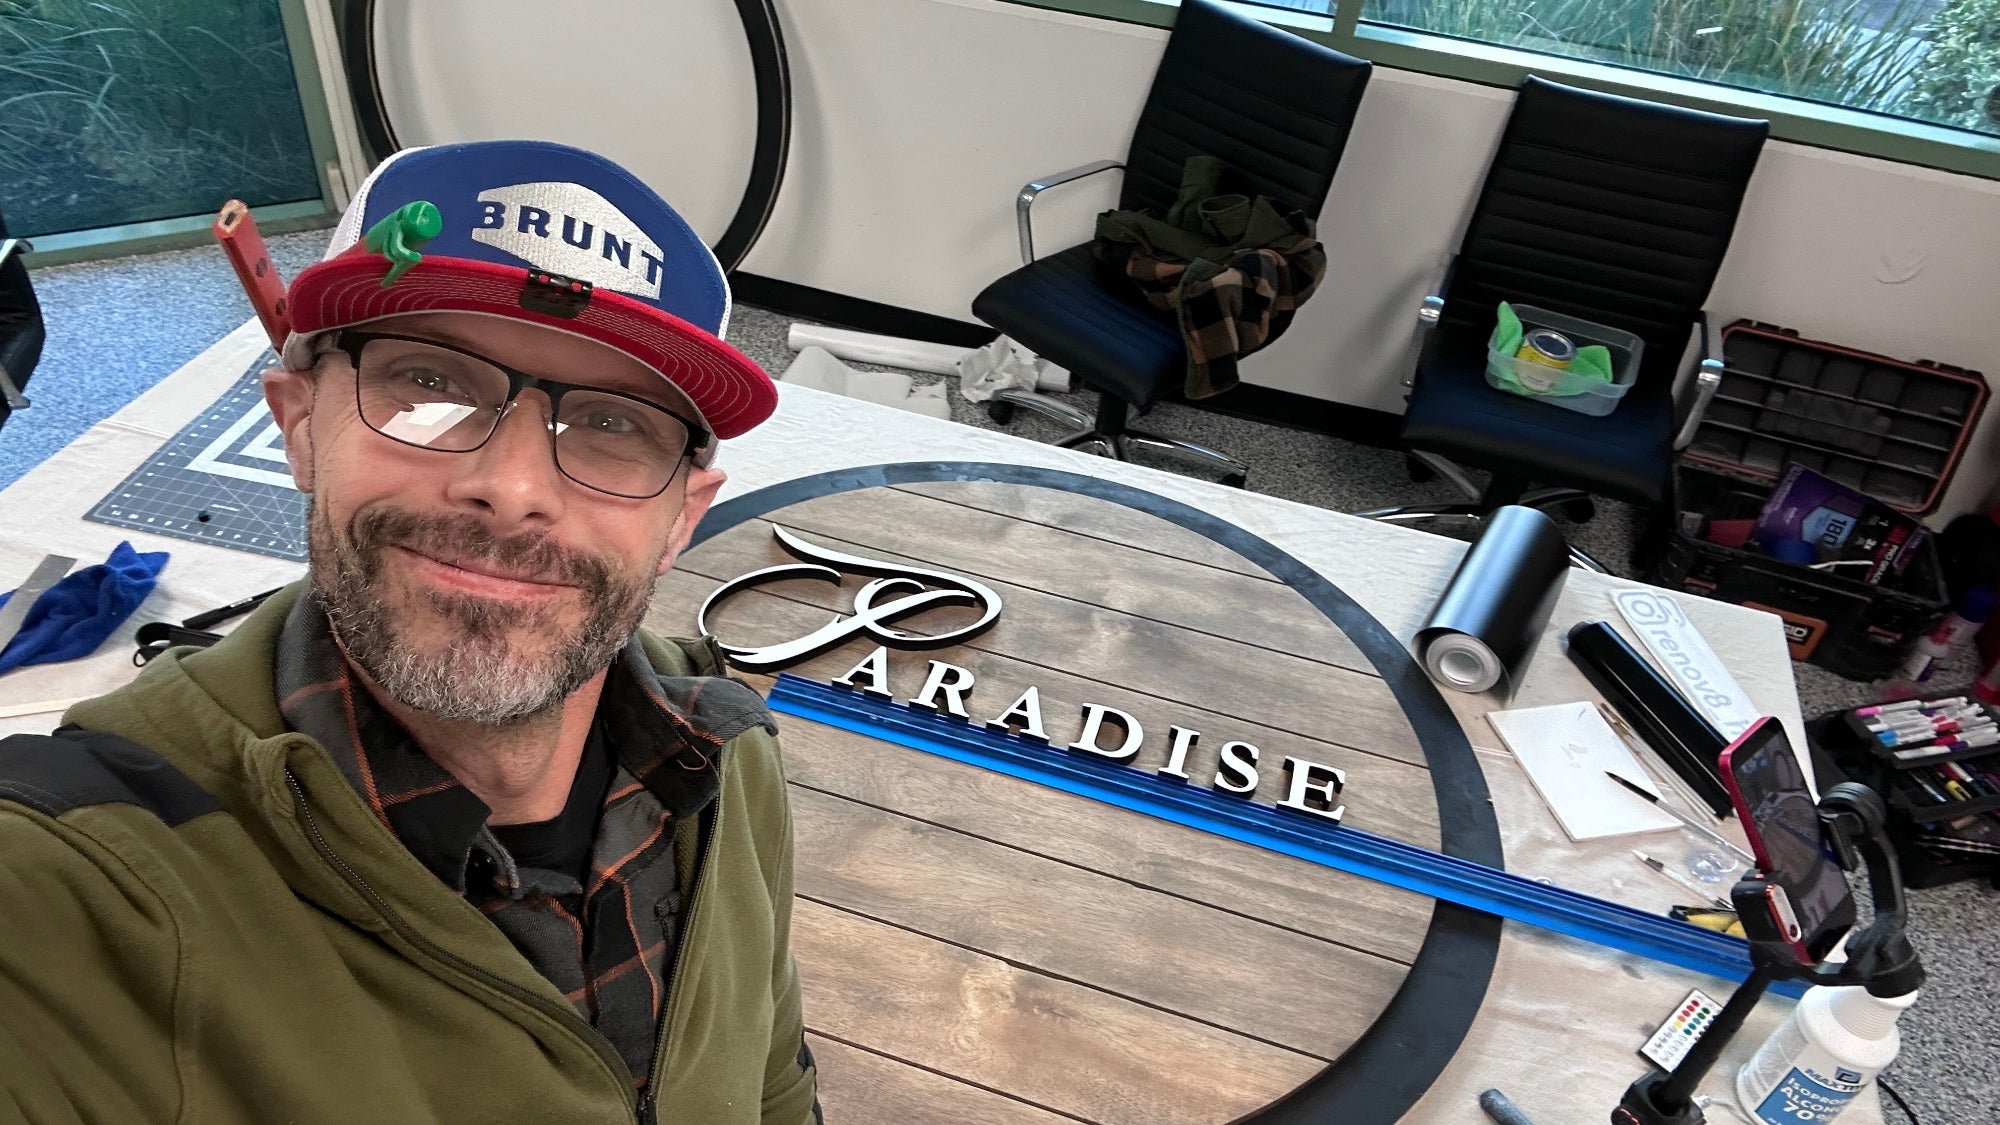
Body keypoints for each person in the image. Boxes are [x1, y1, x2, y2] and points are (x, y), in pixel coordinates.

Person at [0, 141, 820, 1124]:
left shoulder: (725, 760)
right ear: (299, 426)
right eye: (429, 383)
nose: (512, 489)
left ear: (682, 517)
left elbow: (772, 1086)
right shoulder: (73, 894)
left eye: (613, 424)